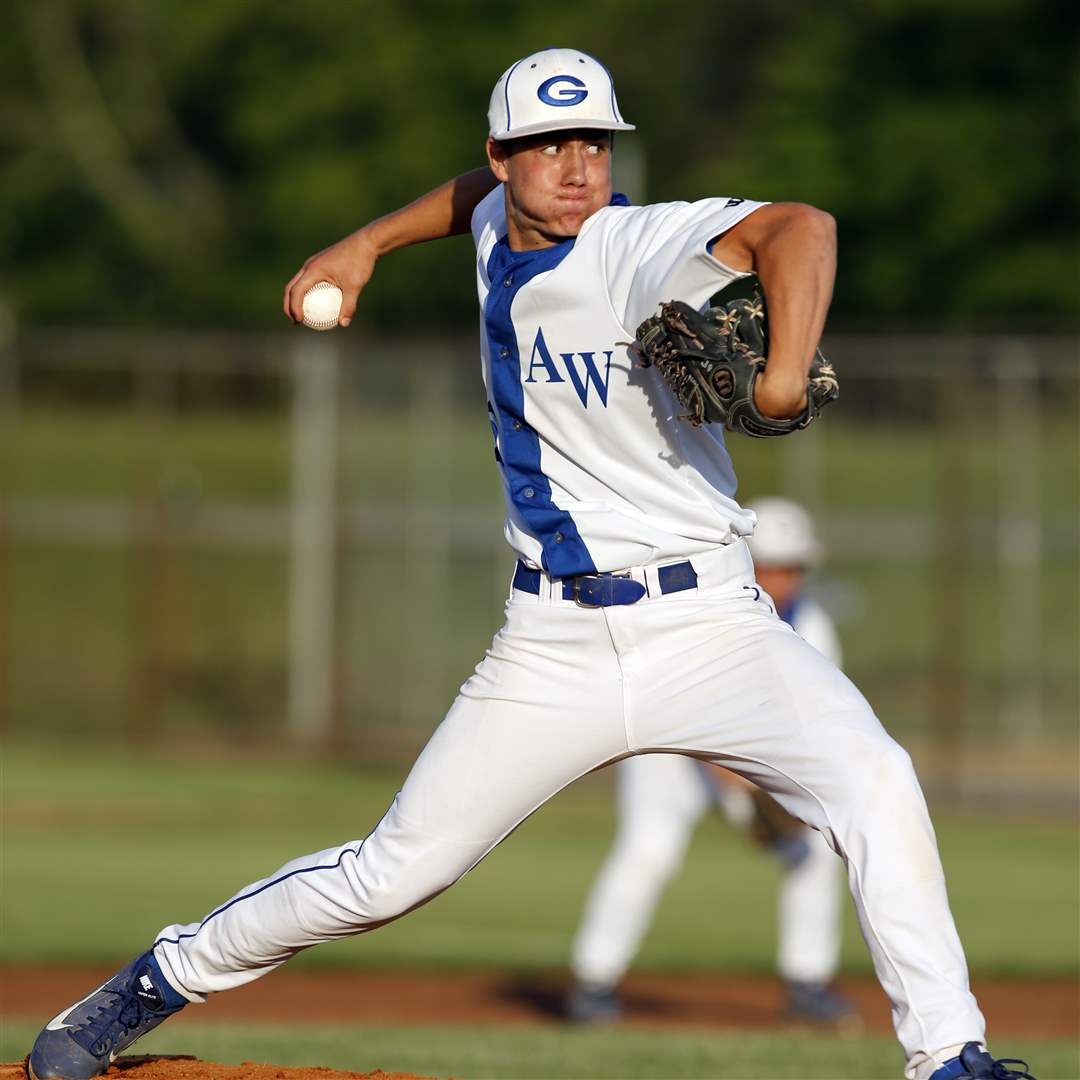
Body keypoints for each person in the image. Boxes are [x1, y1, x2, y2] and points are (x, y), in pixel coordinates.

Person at [28, 47, 1035, 1080]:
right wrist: (365, 243)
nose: (576, 164)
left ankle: (949, 1056)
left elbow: (801, 226)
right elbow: (469, 198)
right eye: (549, 143)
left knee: (878, 782)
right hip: (554, 644)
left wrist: (780, 379)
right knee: (391, 876)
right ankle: (145, 987)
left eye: (593, 141)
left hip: (714, 627)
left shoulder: (634, 244)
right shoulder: (491, 222)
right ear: (503, 158)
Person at [565, 497, 856, 1028]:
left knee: (813, 848)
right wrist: (735, 781)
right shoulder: (700, 608)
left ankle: (807, 983)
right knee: (649, 852)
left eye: (792, 566)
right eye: (771, 563)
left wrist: (784, 794)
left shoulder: (813, 625)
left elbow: (813, 720)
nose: (782, 577)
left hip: (751, 762)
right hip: (670, 754)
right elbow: (676, 707)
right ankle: (594, 980)